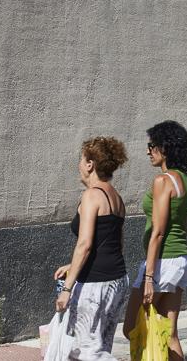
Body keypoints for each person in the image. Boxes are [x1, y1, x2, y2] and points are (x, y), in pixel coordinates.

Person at [124, 120, 187, 361]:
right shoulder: (185, 180)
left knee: (132, 328)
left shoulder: (162, 181)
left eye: (151, 145)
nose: (148, 151)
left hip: (163, 262)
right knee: (169, 334)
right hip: (182, 260)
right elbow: (183, 225)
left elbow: (158, 232)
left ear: (165, 148)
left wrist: (148, 277)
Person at [53, 136, 129, 361]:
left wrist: (66, 289)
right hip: (116, 280)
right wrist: (72, 265)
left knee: (85, 352)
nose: (78, 164)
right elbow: (113, 242)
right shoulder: (116, 197)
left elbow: (85, 244)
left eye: (81, 159)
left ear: (90, 164)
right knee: (98, 347)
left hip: (96, 283)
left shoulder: (91, 196)